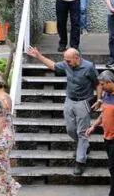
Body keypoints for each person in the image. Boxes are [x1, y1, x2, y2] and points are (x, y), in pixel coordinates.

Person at [26, 46, 102, 175]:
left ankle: (80, 161)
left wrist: (99, 100)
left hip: (83, 102)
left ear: (77, 58)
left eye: (68, 60)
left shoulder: (88, 67)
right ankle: (83, 147)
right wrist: (38, 56)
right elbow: (53, 66)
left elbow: (98, 83)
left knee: (82, 133)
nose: (66, 63)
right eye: (65, 60)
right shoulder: (67, 65)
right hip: (69, 100)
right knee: (70, 130)